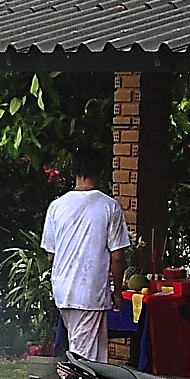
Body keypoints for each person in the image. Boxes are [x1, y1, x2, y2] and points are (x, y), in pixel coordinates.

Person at [41, 150, 131, 363]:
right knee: (84, 357)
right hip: (90, 291)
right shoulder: (110, 207)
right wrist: (117, 291)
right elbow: (117, 256)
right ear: (101, 172)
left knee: (92, 349)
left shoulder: (56, 206)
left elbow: (50, 255)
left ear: (74, 172)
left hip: (63, 289)